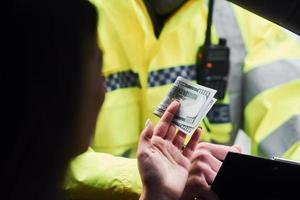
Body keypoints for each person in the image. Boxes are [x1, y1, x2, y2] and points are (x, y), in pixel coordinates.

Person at [3, 0, 238, 200]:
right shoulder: (68, 16)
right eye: (99, 71)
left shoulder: (236, 17)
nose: (102, 92)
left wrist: (159, 192)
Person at [65, 0, 300, 199]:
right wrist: (151, 177)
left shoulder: (250, 18)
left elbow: (292, 128)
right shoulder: (69, 15)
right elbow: (37, 152)